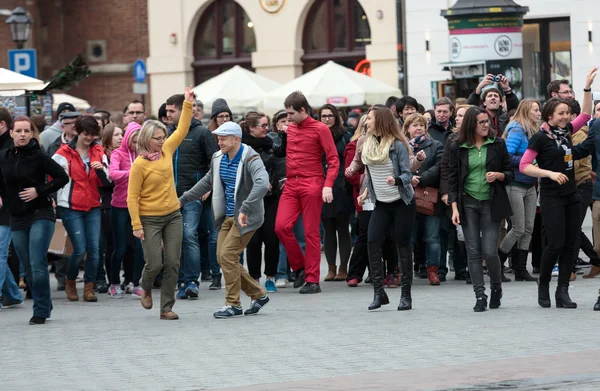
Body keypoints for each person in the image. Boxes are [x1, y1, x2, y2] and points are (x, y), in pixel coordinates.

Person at [520, 68, 596, 309]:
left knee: (572, 243)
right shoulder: (540, 138)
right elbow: (524, 166)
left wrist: (586, 88)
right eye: (561, 113)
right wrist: (549, 173)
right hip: (552, 197)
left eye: (566, 113)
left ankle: (562, 291)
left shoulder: (567, 132)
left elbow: (585, 114)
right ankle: (543, 286)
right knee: (556, 243)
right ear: (549, 116)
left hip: (572, 195)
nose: (565, 116)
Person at [179, 121, 270, 318]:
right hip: (227, 217)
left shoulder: (251, 158)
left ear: (236, 139)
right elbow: (207, 182)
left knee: (228, 256)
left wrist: (245, 208)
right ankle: (258, 294)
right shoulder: (218, 157)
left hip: (246, 218)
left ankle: (233, 304)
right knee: (223, 258)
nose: (218, 142)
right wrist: (183, 200)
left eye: (223, 138)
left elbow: (263, 184)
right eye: (218, 138)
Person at [127, 86, 194, 320]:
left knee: (173, 262)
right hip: (149, 219)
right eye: (158, 138)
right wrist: (136, 225)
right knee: (154, 263)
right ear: (147, 139)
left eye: (164, 137)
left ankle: (166, 307)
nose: (163, 141)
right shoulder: (139, 165)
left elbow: (183, 129)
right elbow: (131, 197)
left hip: (173, 214)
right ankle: (144, 286)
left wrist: (187, 103)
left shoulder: (166, 150)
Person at [0, 116, 69, 324]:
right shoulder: (3, 156)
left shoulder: (39, 156)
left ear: (32, 134)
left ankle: (40, 310)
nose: (22, 135)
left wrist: (39, 190)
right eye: (18, 131)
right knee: (29, 268)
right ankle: (45, 303)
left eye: (26, 131)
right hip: (17, 216)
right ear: (11, 133)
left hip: (41, 213)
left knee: (37, 264)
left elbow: (62, 177)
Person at [448, 107, 514, 312]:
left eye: (487, 121)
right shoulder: (457, 146)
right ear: (471, 125)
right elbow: (452, 179)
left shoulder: (497, 144)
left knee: (489, 251)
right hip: (467, 203)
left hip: (490, 203)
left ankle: (496, 288)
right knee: (473, 252)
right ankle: (479, 295)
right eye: (482, 122)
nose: (487, 125)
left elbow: (510, 172)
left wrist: (499, 176)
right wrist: (454, 208)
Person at [274, 91, 340, 294]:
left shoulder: (320, 129)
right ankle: (300, 267)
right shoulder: (291, 128)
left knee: (311, 233)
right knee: (281, 227)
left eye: (291, 113)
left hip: (312, 183)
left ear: (303, 110)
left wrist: (328, 184)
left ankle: (312, 279)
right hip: (292, 184)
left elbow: (333, 159)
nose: (288, 118)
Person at [353, 105, 415, 311]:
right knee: (372, 241)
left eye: (369, 119)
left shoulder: (398, 146)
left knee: (403, 246)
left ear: (380, 121)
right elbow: (371, 175)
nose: (366, 122)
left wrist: (395, 180)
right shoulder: (366, 144)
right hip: (381, 203)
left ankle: (406, 295)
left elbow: (408, 175)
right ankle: (379, 293)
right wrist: (365, 193)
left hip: (401, 203)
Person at [165, 93, 219, 300]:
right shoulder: (167, 133)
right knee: (173, 239)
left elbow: (214, 162)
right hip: (168, 195)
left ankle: (191, 282)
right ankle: (178, 281)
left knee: (189, 236)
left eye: (172, 111)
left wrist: (207, 187)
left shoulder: (202, 133)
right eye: (167, 111)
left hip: (192, 194)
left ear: (183, 110)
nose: (168, 114)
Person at [52, 115, 111, 303]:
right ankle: (70, 282)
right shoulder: (62, 153)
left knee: (94, 249)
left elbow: (108, 182)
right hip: (71, 206)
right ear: (77, 131)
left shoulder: (98, 151)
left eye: (93, 134)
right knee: (79, 249)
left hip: (93, 205)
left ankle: (89, 287)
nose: (89, 138)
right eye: (86, 134)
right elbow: (52, 179)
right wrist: (55, 199)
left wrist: (101, 169)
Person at [500, 100, 541, 282]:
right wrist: (530, 162)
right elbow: (507, 156)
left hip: (529, 184)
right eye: (536, 110)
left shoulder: (532, 129)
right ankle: (498, 264)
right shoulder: (517, 128)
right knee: (518, 228)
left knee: (529, 228)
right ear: (526, 111)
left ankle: (521, 269)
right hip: (515, 183)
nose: (539, 113)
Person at [241, 111, 282, 292]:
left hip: (271, 198)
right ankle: (255, 279)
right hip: (251, 199)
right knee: (254, 240)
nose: (267, 129)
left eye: (267, 125)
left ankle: (271, 276)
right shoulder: (242, 147)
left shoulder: (271, 144)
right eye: (263, 126)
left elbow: (279, 163)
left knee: (272, 238)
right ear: (251, 128)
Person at [404, 113, 444, 286]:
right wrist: (409, 178)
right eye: (414, 125)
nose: (418, 128)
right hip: (406, 196)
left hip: (429, 195)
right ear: (407, 129)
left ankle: (433, 271)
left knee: (432, 237)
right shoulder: (400, 146)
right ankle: (403, 272)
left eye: (421, 125)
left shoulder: (436, 145)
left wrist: (421, 178)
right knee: (407, 239)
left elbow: (440, 165)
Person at [108, 122, 145, 298]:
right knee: (120, 248)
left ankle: (133, 282)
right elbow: (113, 174)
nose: (136, 144)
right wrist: (133, 172)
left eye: (139, 141)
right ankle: (114, 282)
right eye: (134, 140)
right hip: (119, 206)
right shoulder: (118, 153)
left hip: (138, 206)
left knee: (138, 248)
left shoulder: (143, 155)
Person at [319, 104, 354, 282]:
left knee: (342, 228)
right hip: (322, 185)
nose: (327, 119)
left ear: (337, 117)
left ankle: (343, 267)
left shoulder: (346, 136)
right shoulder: (316, 134)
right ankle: (331, 267)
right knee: (328, 229)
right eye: (324, 116)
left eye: (330, 115)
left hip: (342, 186)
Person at [439, 104, 472, 283]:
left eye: (461, 115)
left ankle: (466, 267)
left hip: (474, 192)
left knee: (469, 233)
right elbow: (446, 168)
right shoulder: (452, 139)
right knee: (456, 231)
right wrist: (446, 192)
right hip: (456, 192)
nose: (457, 118)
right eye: (457, 115)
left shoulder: (481, 138)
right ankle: (458, 266)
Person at [96, 123, 123, 294]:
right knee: (110, 245)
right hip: (106, 204)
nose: (120, 138)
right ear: (107, 137)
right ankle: (112, 280)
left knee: (126, 245)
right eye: (116, 135)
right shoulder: (101, 156)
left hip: (124, 202)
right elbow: (106, 184)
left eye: (121, 134)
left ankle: (128, 280)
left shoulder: (124, 154)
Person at [0, 108, 22, 313]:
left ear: (2, 125)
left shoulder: (10, 147)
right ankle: (13, 294)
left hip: (8, 209)